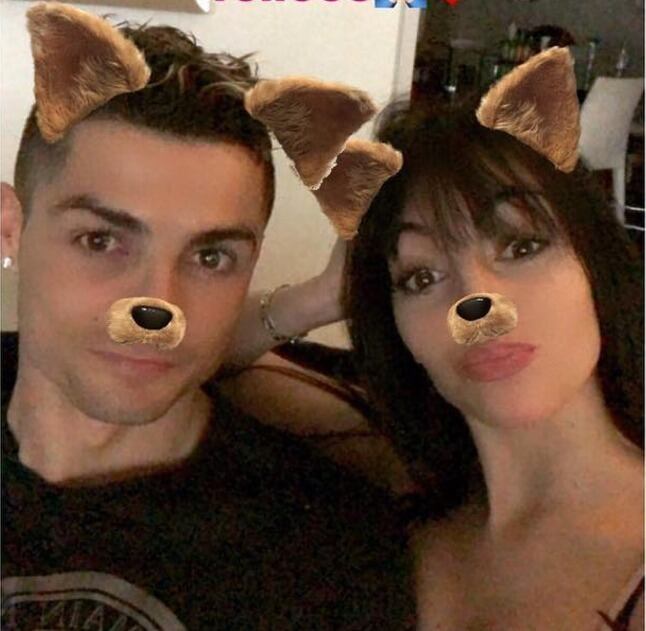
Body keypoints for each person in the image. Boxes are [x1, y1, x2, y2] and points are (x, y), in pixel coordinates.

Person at [0, 7, 414, 629]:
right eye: (101, 241)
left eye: (210, 257)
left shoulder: (325, 561)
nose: (156, 307)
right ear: (10, 228)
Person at [224, 98, 644, 629]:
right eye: (421, 277)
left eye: (521, 245)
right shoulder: (391, 471)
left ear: (595, 264)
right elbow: (182, 363)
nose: (475, 303)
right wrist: (327, 293)